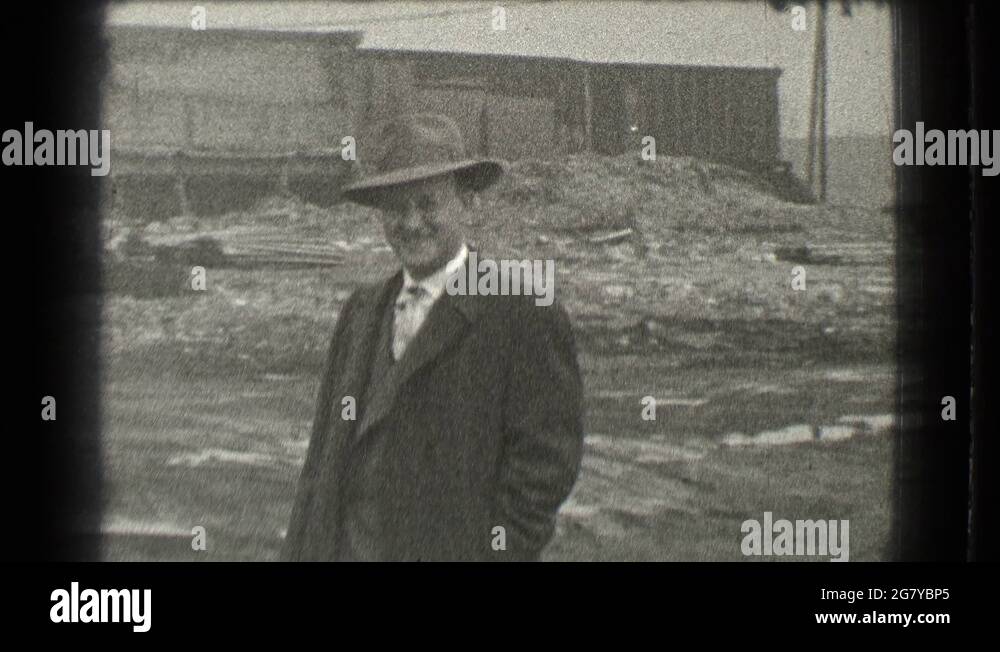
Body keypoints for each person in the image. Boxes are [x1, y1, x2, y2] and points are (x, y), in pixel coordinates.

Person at [280, 113, 584, 562]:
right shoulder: (361, 313)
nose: (411, 222)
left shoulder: (520, 311)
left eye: (427, 204)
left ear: (467, 203)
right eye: (395, 208)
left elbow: (546, 466)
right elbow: (321, 461)